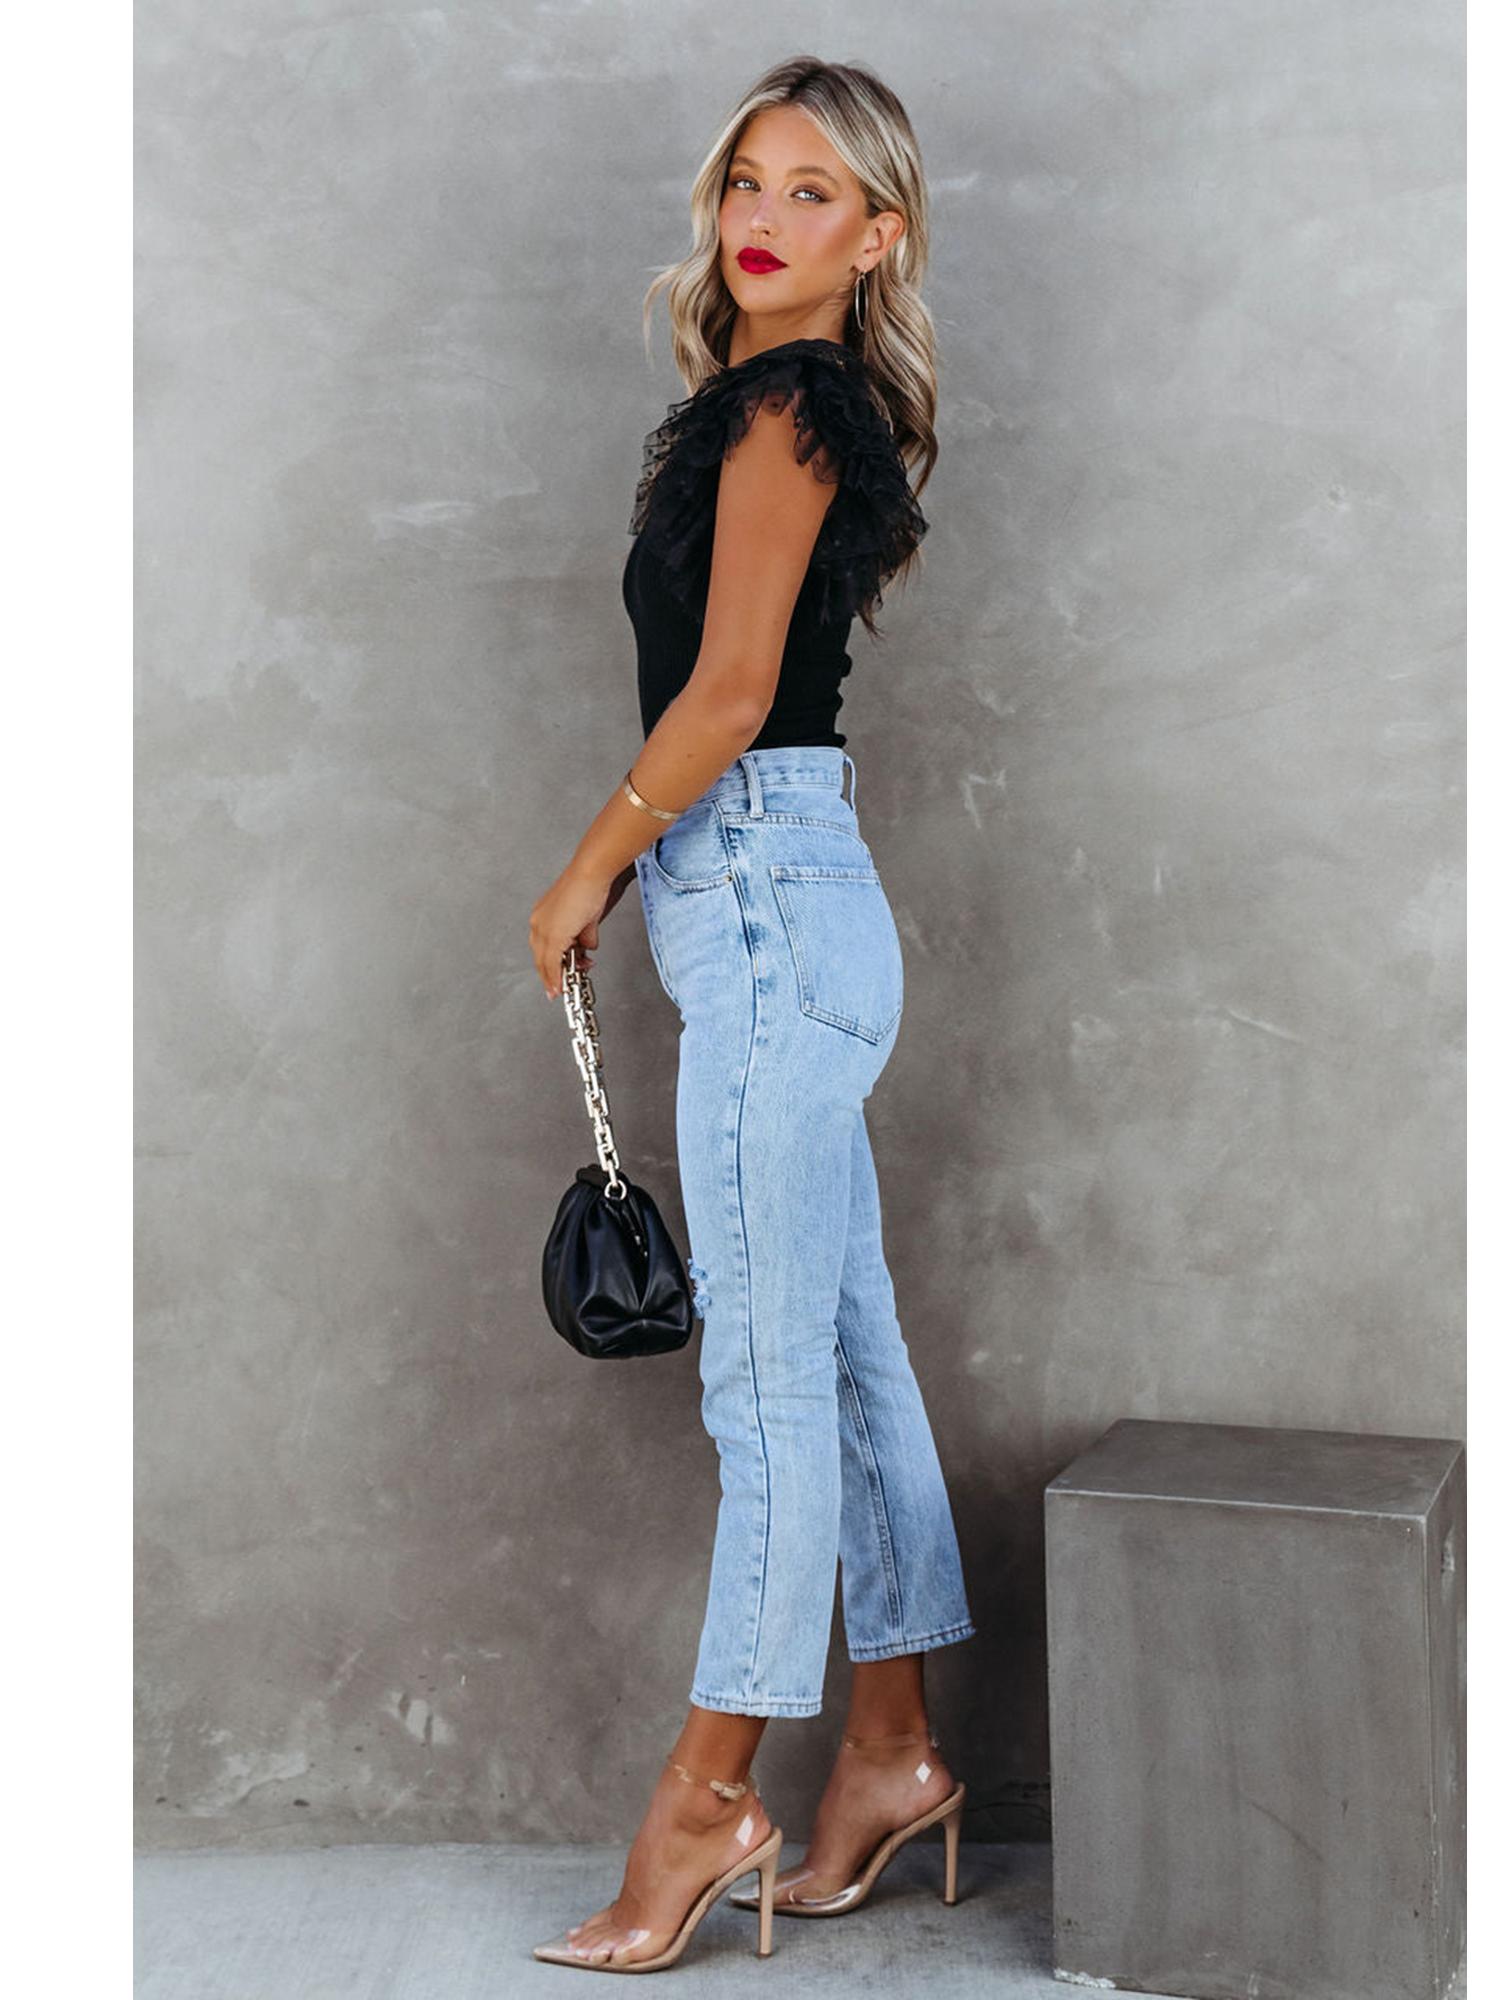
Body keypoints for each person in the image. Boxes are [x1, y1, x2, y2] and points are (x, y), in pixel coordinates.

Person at [527, 54, 975, 1973]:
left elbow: (725, 696)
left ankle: (705, 1802)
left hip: (770, 912)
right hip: (791, 904)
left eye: (813, 193)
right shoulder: (776, 401)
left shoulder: (791, 405)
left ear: (878, 237)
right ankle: (889, 1751)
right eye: (747, 183)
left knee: (771, 1394)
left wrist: (587, 869)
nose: (764, 218)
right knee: (848, 1362)